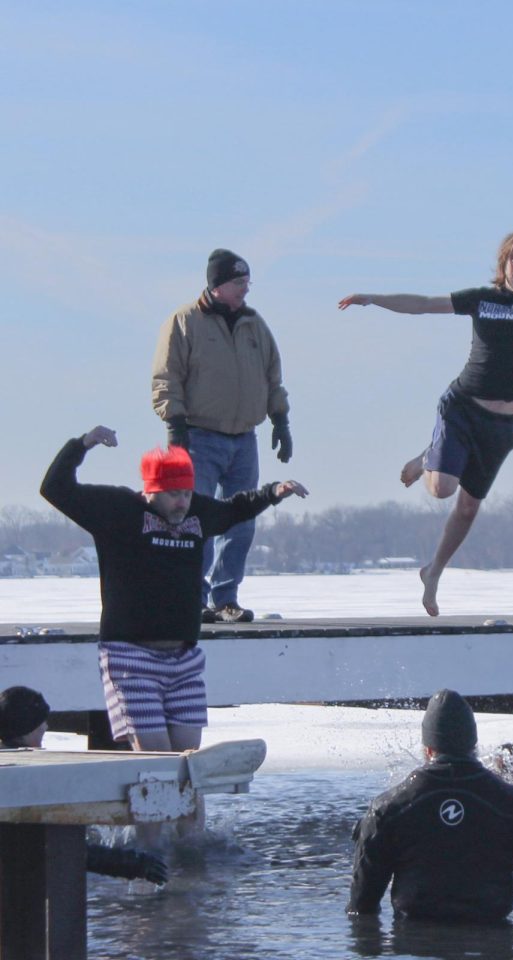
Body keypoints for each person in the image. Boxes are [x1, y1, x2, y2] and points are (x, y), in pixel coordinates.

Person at [337, 185, 513, 617]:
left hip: (503, 426)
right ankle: (431, 456)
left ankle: (434, 571)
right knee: (444, 489)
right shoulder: (482, 300)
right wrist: (375, 298)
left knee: (468, 508)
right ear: (503, 263)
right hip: (463, 406)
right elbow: (424, 304)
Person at [40, 425, 308, 753]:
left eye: (186, 493)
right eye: (173, 495)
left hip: (183, 658)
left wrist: (272, 492)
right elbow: (55, 488)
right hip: (131, 656)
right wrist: (82, 444)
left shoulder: (196, 513)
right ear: (151, 491)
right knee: (156, 759)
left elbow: (235, 508)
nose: (182, 503)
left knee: (188, 758)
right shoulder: (118, 510)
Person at [347, 689, 513, 922]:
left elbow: (361, 908)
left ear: (427, 749)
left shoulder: (386, 809)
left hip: (414, 945)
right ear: (474, 744)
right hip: (492, 944)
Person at [152, 248, 293, 624]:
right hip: (199, 436)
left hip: (244, 438)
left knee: (242, 520)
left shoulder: (254, 324)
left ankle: (225, 597)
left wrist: (281, 420)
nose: (245, 289)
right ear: (216, 285)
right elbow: (166, 378)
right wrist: (175, 425)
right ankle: (191, 597)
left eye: (247, 282)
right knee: (196, 519)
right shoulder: (185, 321)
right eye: (238, 282)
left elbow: (272, 376)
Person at [0, 685, 169, 885]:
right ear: (25, 730)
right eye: (41, 725)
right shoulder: (26, 780)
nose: (46, 727)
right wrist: (131, 863)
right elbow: (56, 845)